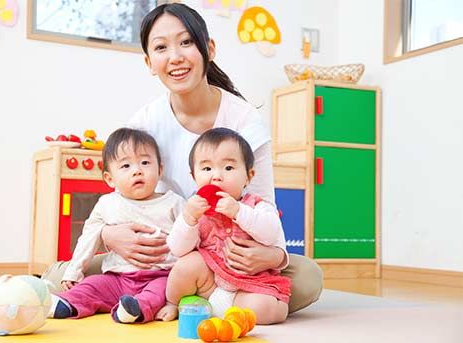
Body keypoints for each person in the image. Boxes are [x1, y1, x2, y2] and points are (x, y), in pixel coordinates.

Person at [42, 3, 323, 315]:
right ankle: (186, 297)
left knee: (307, 277)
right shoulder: (144, 123)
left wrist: (274, 257)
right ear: (149, 62)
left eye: (187, 42)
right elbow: (120, 198)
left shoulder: (244, 121)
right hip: (161, 257)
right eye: (161, 47)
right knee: (58, 278)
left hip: (229, 253)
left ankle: (187, 298)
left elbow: (265, 207)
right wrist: (110, 235)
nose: (175, 56)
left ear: (209, 49)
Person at [49, 128, 184, 323]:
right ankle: (66, 304)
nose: (137, 170)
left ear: (160, 170)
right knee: (92, 285)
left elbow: (192, 235)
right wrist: (73, 271)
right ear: (109, 178)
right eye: (126, 166)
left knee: (163, 291)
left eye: (145, 163)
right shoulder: (107, 203)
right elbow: (89, 237)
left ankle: (134, 310)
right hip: (118, 277)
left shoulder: (174, 203)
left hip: (161, 274)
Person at [167, 128, 290, 324]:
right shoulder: (195, 208)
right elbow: (177, 249)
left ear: (249, 176)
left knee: (271, 309)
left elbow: (271, 234)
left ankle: (217, 306)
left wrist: (238, 212)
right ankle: (173, 303)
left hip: (250, 283)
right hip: (209, 280)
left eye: (228, 168)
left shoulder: (257, 205)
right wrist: (189, 218)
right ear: (193, 176)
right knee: (186, 265)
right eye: (207, 169)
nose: (216, 176)